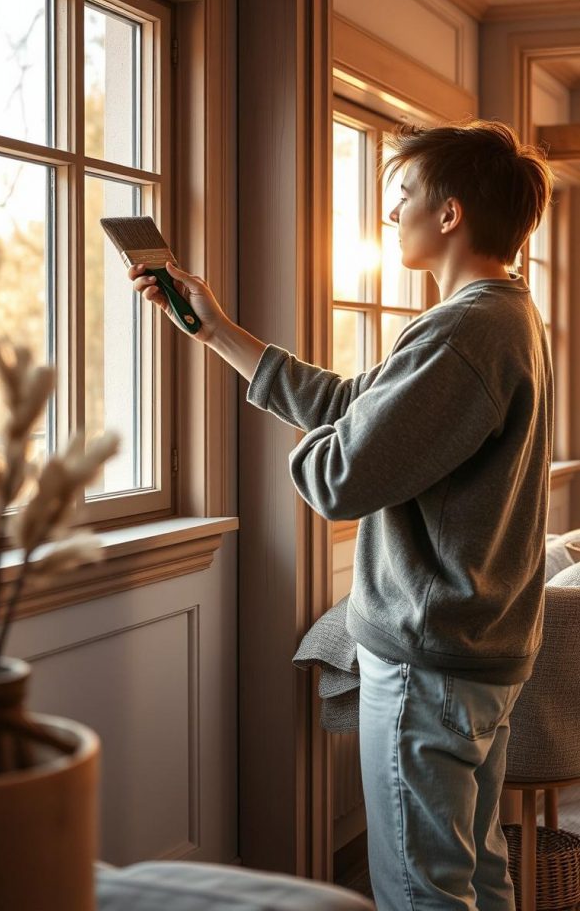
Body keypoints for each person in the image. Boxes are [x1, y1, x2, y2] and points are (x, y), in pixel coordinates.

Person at [129, 120, 554, 911]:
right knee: (475, 874)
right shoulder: (503, 316)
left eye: (402, 195)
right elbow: (356, 408)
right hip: (473, 654)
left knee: (420, 890)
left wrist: (334, 448)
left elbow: (339, 475)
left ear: (449, 213)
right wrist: (215, 328)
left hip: (431, 661)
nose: (391, 213)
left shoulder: (463, 331)